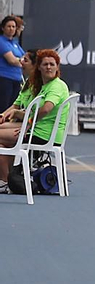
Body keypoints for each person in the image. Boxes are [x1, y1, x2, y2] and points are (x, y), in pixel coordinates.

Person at [0, 48, 69, 195]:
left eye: (52, 64)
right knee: (2, 142)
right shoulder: (43, 86)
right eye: (45, 65)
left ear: (57, 67)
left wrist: (28, 123)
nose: (49, 67)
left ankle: (7, 181)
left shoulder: (56, 86)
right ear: (39, 67)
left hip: (42, 135)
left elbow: (45, 109)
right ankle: (8, 180)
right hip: (35, 130)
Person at [0, 16, 24, 111]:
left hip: (16, 79)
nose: (11, 29)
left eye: (14, 27)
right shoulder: (1, 41)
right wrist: (23, 61)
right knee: (4, 107)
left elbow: (24, 57)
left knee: (12, 108)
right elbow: (12, 60)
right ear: (3, 28)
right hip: (5, 79)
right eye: (9, 26)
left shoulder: (14, 43)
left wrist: (21, 60)